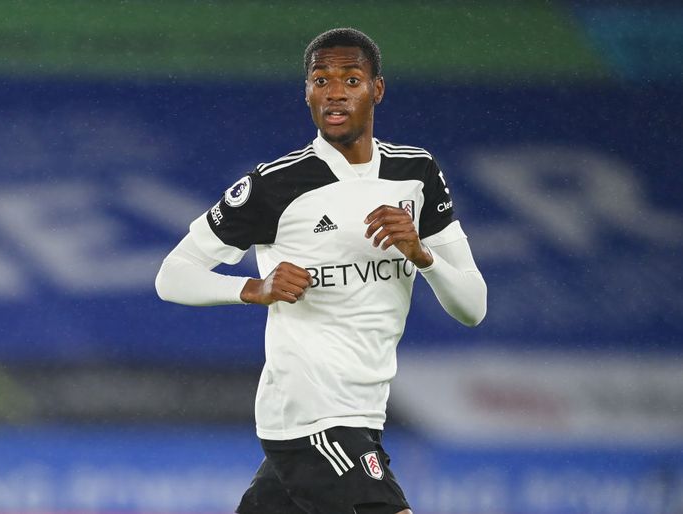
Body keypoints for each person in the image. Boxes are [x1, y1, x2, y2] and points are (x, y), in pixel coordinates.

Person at [155, 27, 486, 514]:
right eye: (321, 79)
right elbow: (173, 275)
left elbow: (473, 307)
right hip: (312, 411)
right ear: (307, 92)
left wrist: (423, 256)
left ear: (377, 89)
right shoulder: (275, 184)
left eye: (351, 79)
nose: (334, 91)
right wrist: (254, 287)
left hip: (365, 410)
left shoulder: (416, 174)